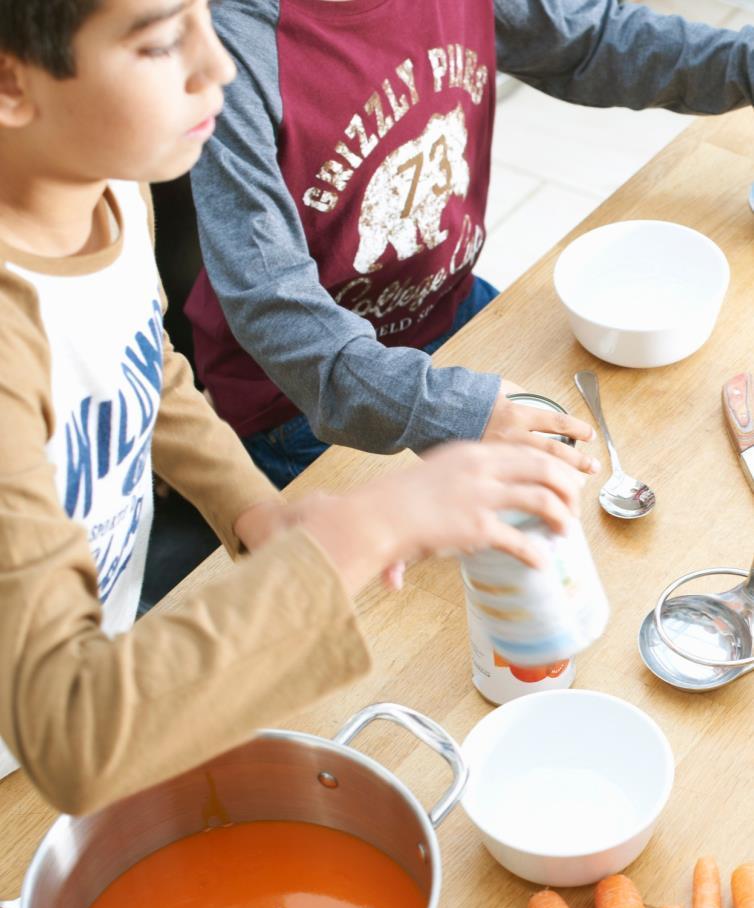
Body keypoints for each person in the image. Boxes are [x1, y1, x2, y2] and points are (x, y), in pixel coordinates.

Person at [0, 0, 593, 816]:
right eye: (163, 40)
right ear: (10, 81)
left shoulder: (100, 187)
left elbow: (145, 365)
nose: (221, 67)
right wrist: (369, 526)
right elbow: (69, 731)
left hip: (101, 647)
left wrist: (251, 509)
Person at [188, 0, 754, 489]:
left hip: (452, 305)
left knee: (661, 436)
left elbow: (590, 42)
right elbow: (271, 306)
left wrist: (742, 63)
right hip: (302, 402)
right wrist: (444, 411)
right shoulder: (230, 47)